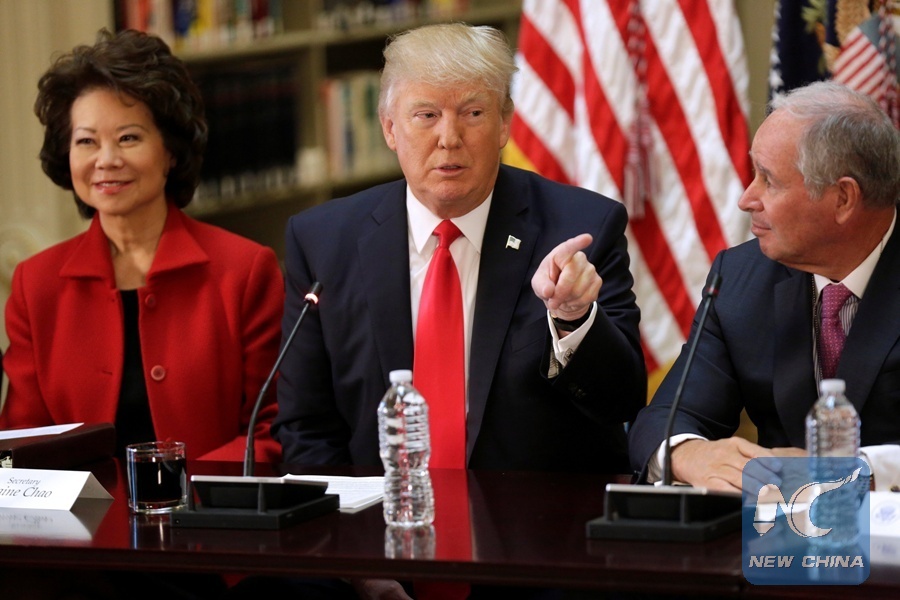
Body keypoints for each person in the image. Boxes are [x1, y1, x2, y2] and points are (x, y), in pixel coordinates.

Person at [268, 22, 645, 600]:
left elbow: (622, 401)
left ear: (504, 125)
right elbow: (308, 428)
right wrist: (358, 562)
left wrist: (573, 319)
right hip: (379, 550)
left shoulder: (580, 230)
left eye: (471, 113)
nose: (449, 138)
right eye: (426, 116)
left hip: (544, 561)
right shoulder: (323, 239)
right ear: (390, 128)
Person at [0, 28, 283, 464]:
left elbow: (270, 431)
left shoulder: (245, 271)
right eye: (86, 141)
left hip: (209, 523)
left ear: (170, 151)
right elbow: (23, 443)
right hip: (78, 528)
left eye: (128, 137)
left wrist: (184, 498)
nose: (106, 159)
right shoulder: (35, 285)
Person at [628, 80, 900, 493]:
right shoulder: (739, 278)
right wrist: (688, 453)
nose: (746, 198)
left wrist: (861, 469)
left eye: (768, 181)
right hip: (775, 543)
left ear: (843, 198)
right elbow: (665, 416)